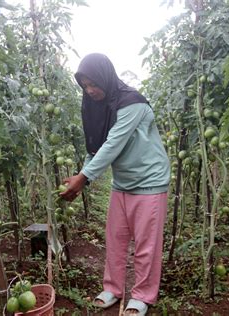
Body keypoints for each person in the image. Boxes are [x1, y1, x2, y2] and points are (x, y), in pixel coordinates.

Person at [60, 53, 170, 316]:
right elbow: (96, 145)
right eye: (85, 85)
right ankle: (113, 288)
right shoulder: (99, 107)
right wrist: (80, 178)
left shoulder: (132, 103)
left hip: (149, 181)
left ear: (105, 78)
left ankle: (143, 295)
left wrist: (83, 178)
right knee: (116, 238)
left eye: (93, 83)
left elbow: (112, 145)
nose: (90, 90)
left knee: (146, 244)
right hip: (123, 182)